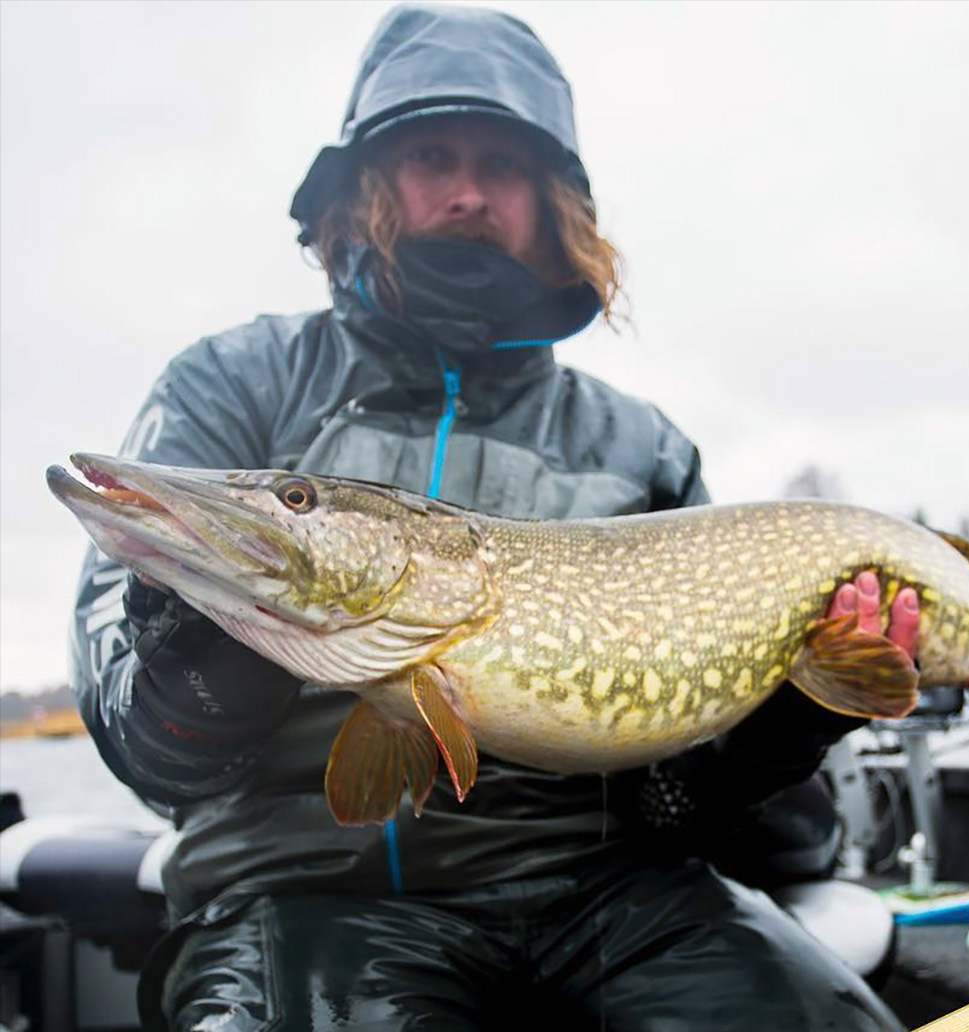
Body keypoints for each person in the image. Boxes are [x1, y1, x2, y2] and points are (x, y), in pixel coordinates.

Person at [69, 6, 920, 1029]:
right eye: (432, 154)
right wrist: (207, 648)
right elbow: (145, 750)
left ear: (552, 199)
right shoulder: (232, 385)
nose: (467, 191)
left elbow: (675, 803)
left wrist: (789, 724)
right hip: (299, 898)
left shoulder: (639, 445)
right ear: (369, 182)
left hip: (609, 892)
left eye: (502, 164)